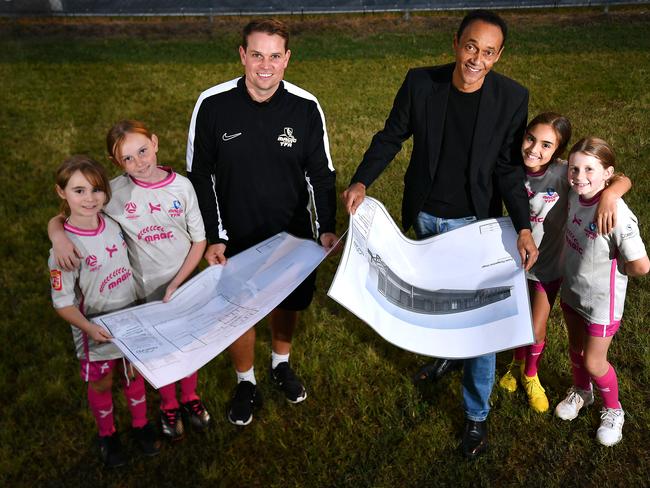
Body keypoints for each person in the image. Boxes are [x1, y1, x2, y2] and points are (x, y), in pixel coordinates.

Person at [342, 10, 537, 458]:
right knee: (434, 304)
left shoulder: (511, 97)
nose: (477, 59)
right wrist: (360, 181)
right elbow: (392, 136)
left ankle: (474, 417)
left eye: (488, 52)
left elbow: (508, 168)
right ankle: (445, 353)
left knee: (481, 331)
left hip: (476, 228)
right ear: (456, 43)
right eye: (471, 47)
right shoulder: (420, 83)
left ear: (498, 55)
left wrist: (523, 228)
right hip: (427, 219)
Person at [186, 19, 338, 426]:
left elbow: (321, 175)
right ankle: (246, 381)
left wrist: (325, 227)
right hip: (235, 235)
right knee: (239, 310)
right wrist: (213, 237)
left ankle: (281, 363)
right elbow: (200, 176)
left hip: (292, 235)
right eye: (257, 55)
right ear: (242, 55)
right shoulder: (213, 104)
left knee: (288, 301)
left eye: (274, 56)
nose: (265, 65)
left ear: (287, 59)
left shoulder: (305, 107)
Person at [49, 121, 211, 441]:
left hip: (182, 287)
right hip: (142, 297)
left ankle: (190, 398)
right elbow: (68, 215)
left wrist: (179, 282)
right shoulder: (112, 193)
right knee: (159, 352)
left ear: (155, 142)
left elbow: (199, 240)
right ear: (116, 164)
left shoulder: (182, 187)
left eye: (143, 151)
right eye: (128, 159)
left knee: (188, 344)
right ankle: (167, 404)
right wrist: (57, 236)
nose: (139, 162)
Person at [498, 113, 631, 413]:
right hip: (513, 260)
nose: (534, 149)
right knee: (516, 318)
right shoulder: (508, 170)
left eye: (546, 145)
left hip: (548, 266)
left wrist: (611, 193)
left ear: (558, 151)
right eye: (530, 139)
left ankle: (531, 374)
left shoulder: (564, 174)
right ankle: (516, 364)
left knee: (535, 326)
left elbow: (622, 178)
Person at [48, 156, 160, 468]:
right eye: (79, 191)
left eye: (97, 190)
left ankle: (140, 425)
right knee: (102, 383)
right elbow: (63, 304)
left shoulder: (111, 222)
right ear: (62, 193)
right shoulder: (64, 251)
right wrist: (88, 328)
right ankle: (107, 435)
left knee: (133, 374)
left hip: (129, 321)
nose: (90, 198)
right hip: (95, 332)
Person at [554, 137, 648, 446]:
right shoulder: (574, 193)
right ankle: (583, 392)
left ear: (607, 173)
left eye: (589, 170)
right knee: (576, 350)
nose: (579, 177)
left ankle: (613, 409)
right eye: (574, 169)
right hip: (572, 292)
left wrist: (613, 194)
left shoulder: (616, 212)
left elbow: (641, 265)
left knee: (595, 362)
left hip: (601, 303)